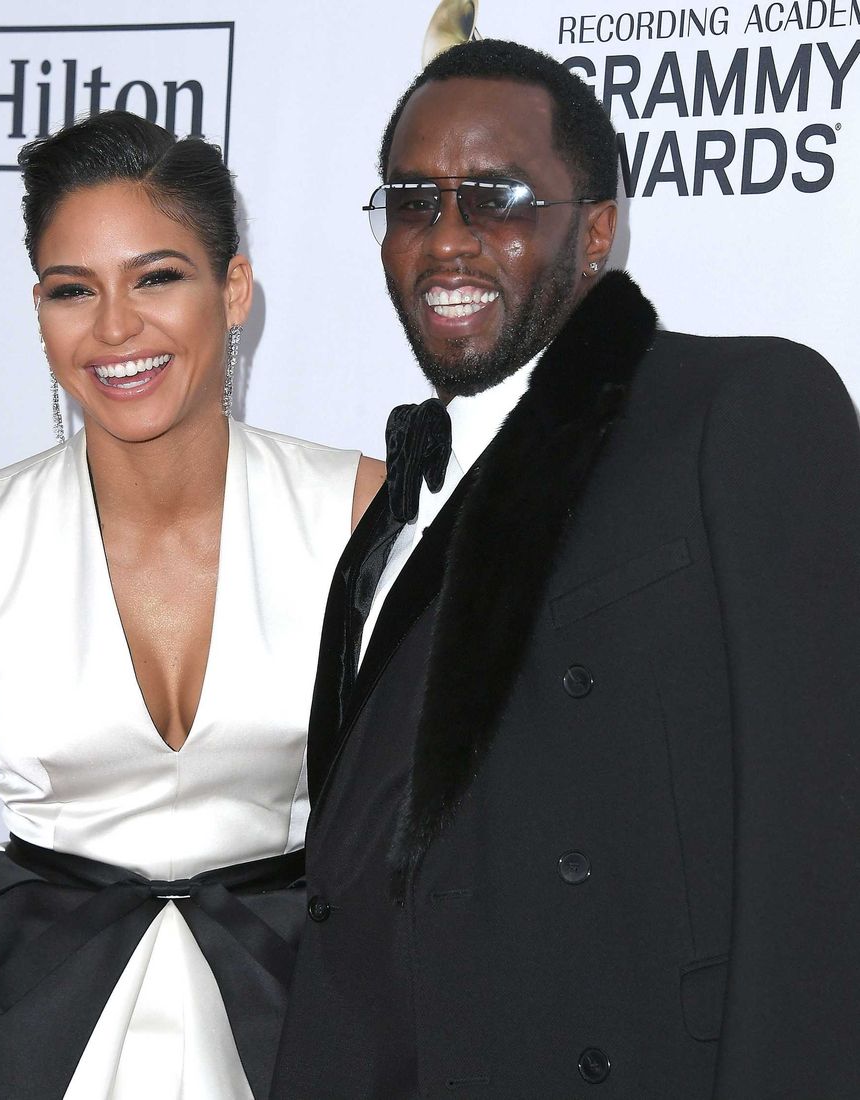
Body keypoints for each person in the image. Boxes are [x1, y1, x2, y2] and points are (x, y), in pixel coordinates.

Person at [271, 39, 860, 1099]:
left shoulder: (740, 408)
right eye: (412, 201)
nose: (446, 239)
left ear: (595, 229)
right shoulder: (391, 510)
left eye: (495, 197)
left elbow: (821, 840)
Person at [0, 110, 383, 1100]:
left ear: (233, 289)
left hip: (297, 1018)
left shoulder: (362, 519)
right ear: (39, 311)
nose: (114, 329)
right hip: (17, 1031)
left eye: (156, 277)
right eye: (73, 289)